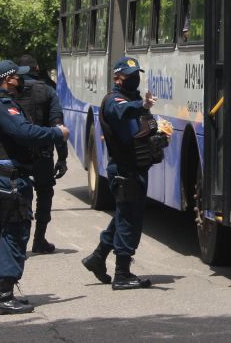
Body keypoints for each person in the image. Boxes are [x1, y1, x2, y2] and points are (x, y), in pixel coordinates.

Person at [0, 60, 70, 315]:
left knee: (0, 234)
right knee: (14, 234)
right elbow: (24, 132)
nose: (22, 80)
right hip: (8, 179)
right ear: (8, 80)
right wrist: (56, 133)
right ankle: (3, 294)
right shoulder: (2, 104)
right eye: (17, 77)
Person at [81, 56, 170, 290]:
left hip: (136, 169)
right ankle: (122, 274)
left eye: (136, 76)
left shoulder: (132, 100)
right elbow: (123, 112)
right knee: (129, 221)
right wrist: (143, 106)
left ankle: (98, 257)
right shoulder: (114, 101)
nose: (134, 80)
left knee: (124, 216)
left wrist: (158, 137)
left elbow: (140, 131)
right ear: (118, 78)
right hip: (124, 170)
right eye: (130, 77)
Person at [16, 54, 68, 253]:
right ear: (36, 69)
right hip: (43, 154)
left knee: (20, 195)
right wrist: (62, 157)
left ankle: (20, 241)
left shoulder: (11, 92)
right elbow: (58, 125)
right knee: (44, 194)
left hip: (17, 154)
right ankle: (39, 239)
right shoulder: (47, 91)